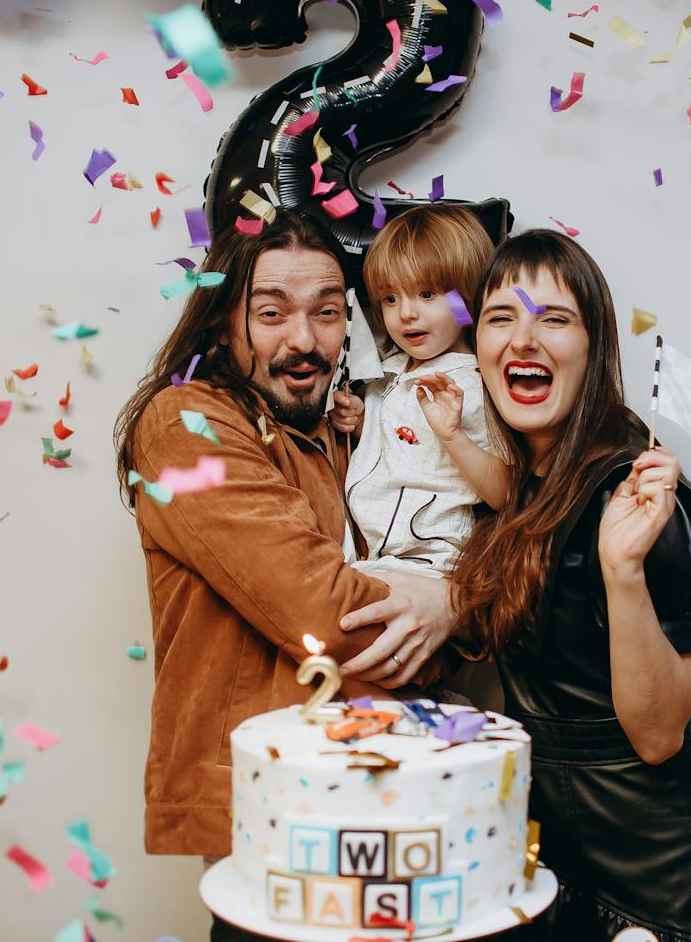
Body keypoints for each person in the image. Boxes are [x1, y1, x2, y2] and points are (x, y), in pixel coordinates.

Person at [432, 229, 691, 941]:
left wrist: (624, 571)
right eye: (501, 318)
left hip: (668, 895)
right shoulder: (532, 485)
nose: (522, 338)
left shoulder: (634, 495)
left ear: (595, 346)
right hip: (566, 875)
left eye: (554, 318)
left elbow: (661, 732)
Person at [113, 212, 459, 942]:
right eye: (271, 312)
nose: (304, 340)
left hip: (388, 807)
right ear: (221, 320)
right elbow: (333, 616)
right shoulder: (186, 426)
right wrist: (451, 599)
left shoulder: (342, 434)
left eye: (328, 312)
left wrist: (451, 602)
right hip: (276, 824)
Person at [331, 207, 507, 578]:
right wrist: (363, 420)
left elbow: (504, 491)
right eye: (390, 299)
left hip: (432, 561)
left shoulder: (474, 386)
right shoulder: (388, 371)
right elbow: (403, 443)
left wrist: (454, 435)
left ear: (468, 301)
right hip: (372, 553)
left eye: (426, 294)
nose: (405, 313)